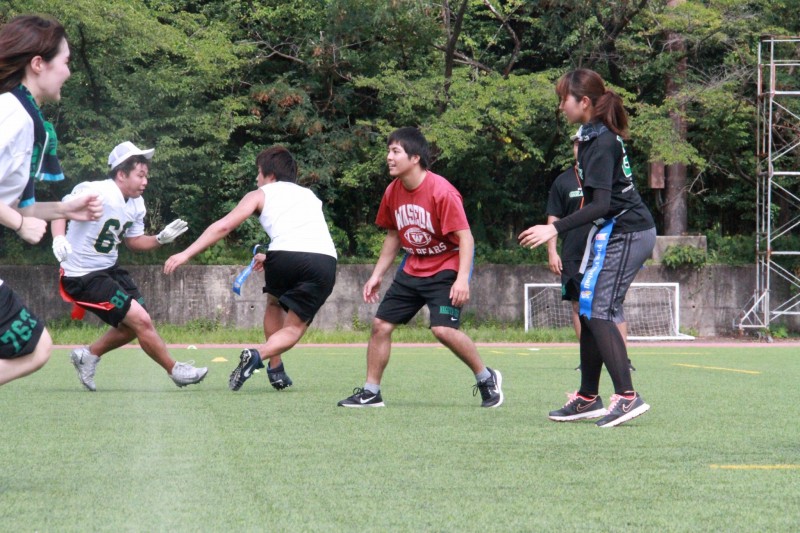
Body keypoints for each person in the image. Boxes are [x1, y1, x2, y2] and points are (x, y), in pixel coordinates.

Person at [519, 69, 655, 427]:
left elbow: (600, 205)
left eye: (563, 99)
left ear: (584, 102)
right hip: (613, 232)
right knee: (586, 306)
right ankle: (587, 397)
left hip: (628, 232)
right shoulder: (592, 138)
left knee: (598, 309)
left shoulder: (602, 142)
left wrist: (553, 229)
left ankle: (627, 396)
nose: (560, 106)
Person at [338, 127, 503, 408]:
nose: (389, 157)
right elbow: (393, 235)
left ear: (415, 158)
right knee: (380, 325)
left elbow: (466, 237)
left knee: (443, 330)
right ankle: (371, 392)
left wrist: (462, 279)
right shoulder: (393, 191)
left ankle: (487, 378)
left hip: (446, 267)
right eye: (388, 151)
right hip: (413, 266)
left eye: (395, 151)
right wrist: (377, 275)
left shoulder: (442, 191)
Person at [164, 146, 337, 392]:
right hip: (323, 260)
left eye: (258, 172)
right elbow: (306, 236)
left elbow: (224, 226)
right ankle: (268, 364)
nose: (257, 178)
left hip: (283, 256)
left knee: (274, 304)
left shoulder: (260, 194)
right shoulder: (310, 196)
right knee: (294, 328)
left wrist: (185, 253)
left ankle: (268, 361)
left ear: (270, 175)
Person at [52, 141, 207, 391]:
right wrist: (59, 238)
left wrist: (159, 239)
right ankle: (175, 370)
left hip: (109, 270)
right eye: (140, 175)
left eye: (146, 175)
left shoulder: (136, 203)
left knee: (135, 325)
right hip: (83, 275)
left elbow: (134, 242)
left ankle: (88, 355)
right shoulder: (96, 191)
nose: (145, 181)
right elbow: (60, 210)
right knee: (141, 320)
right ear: (121, 174)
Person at [0, 15, 102, 386]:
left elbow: (13, 205)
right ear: (38, 64)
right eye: (66, 61)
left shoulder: (23, 115)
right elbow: (16, 215)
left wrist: (64, 209)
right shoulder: (13, 114)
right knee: (36, 347)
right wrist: (19, 224)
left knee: (37, 347)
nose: (69, 73)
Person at [546, 130, 633, 372]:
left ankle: (622, 359)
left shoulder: (603, 172)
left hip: (604, 248)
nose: (580, 149)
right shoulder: (562, 181)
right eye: (576, 145)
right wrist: (552, 251)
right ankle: (588, 359)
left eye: (583, 144)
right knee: (578, 305)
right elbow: (553, 216)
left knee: (612, 304)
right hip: (574, 253)